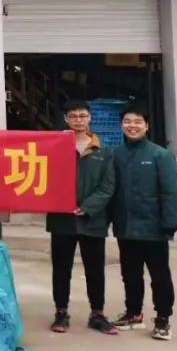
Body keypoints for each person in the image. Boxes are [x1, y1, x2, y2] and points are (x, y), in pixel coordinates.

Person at [109, 105, 177, 341]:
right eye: (127, 121)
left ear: (146, 126)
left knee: (159, 275)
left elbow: (171, 192)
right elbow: (110, 190)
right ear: (121, 125)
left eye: (138, 121)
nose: (132, 126)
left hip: (154, 227)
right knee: (130, 273)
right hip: (125, 227)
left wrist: (169, 223)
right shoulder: (116, 155)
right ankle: (133, 313)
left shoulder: (161, 155)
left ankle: (163, 319)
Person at [47, 100, 118, 335]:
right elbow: (44, 177)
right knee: (61, 269)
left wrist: (88, 207)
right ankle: (61, 313)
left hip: (93, 219)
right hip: (62, 219)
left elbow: (108, 186)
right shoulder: (54, 147)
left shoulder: (103, 151)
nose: (78, 120)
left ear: (90, 118)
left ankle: (97, 314)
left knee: (95, 269)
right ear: (66, 119)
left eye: (82, 116)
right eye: (73, 116)